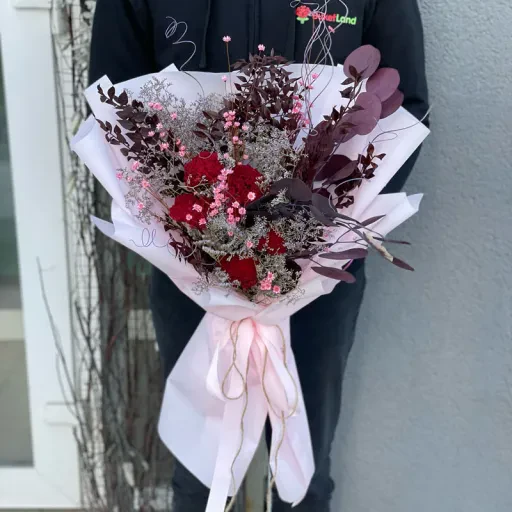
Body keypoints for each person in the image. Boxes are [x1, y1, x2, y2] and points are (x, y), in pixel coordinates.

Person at [89, 1, 429, 510]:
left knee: (303, 470)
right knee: (200, 471)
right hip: (189, 273)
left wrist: (321, 233)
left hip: (317, 280)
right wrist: (191, 235)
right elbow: (111, 99)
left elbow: (407, 107)